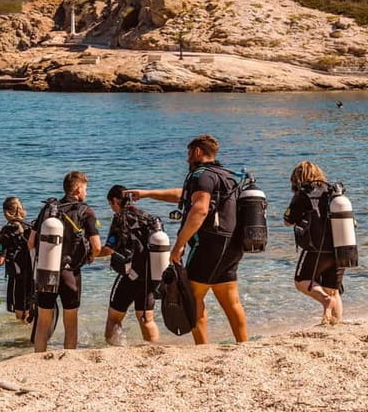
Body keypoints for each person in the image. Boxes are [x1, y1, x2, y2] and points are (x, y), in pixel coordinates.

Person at [126, 134, 248, 345]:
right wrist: (146, 193)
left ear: (197, 152)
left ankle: (202, 348)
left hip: (209, 246)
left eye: (188, 153)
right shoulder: (225, 176)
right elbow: (182, 195)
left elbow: (199, 209)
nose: (186, 159)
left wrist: (178, 246)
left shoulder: (200, 175)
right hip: (231, 246)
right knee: (231, 300)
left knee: (191, 298)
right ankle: (244, 345)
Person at [28, 171, 101, 352]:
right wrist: (91, 256)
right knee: (70, 319)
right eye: (85, 189)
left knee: (44, 320)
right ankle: (68, 356)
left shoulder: (47, 209)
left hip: (46, 271)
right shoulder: (86, 211)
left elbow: (30, 243)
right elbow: (97, 246)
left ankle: (38, 358)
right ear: (77, 188)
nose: (86, 193)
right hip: (70, 272)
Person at [96, 185, 160, 345]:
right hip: (150, 276)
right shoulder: (148, 217)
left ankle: (112, 348)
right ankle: (154, 348)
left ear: (116, 200)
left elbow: (108, 249)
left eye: (111, 204)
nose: (112, 208)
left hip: (131, 276)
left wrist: (92, 255)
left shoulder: (120, 218)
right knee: (146, 317)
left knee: (114, 317)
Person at [283, 161, 344, 325]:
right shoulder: (333, 191)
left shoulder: (303, 194)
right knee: (333, 290)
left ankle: (324, 301)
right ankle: (335, 324)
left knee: (301, 281)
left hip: (317, 249)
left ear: (297, 178)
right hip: (341, 247)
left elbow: (288, 220)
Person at [0, 196, 34, 322]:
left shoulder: (6, 232)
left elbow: (0, 258)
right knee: (30, 307)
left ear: (5, 212)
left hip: (17, 275)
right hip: (32, 273)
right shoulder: (31, 228)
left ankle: (22, 337)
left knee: (19, 311)